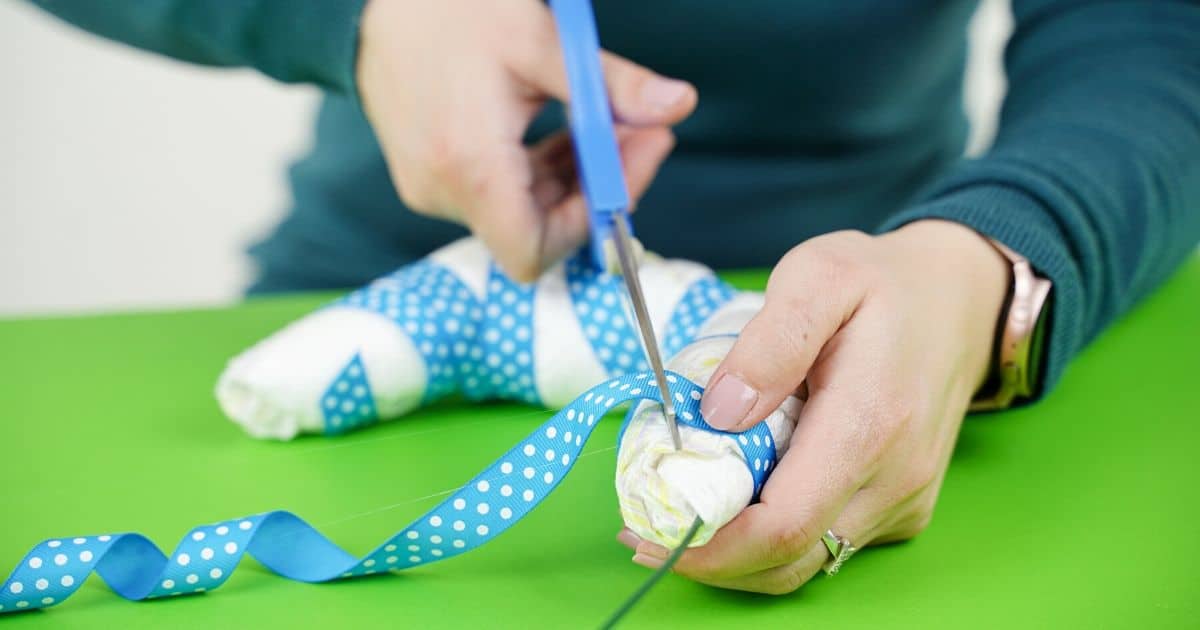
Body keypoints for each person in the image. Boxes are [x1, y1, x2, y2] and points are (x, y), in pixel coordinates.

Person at [29, 0, 1200, 594]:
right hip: (366, 265)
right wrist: (363, 18)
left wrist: (991, 260)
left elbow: (1151, 32)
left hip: (888, 322)